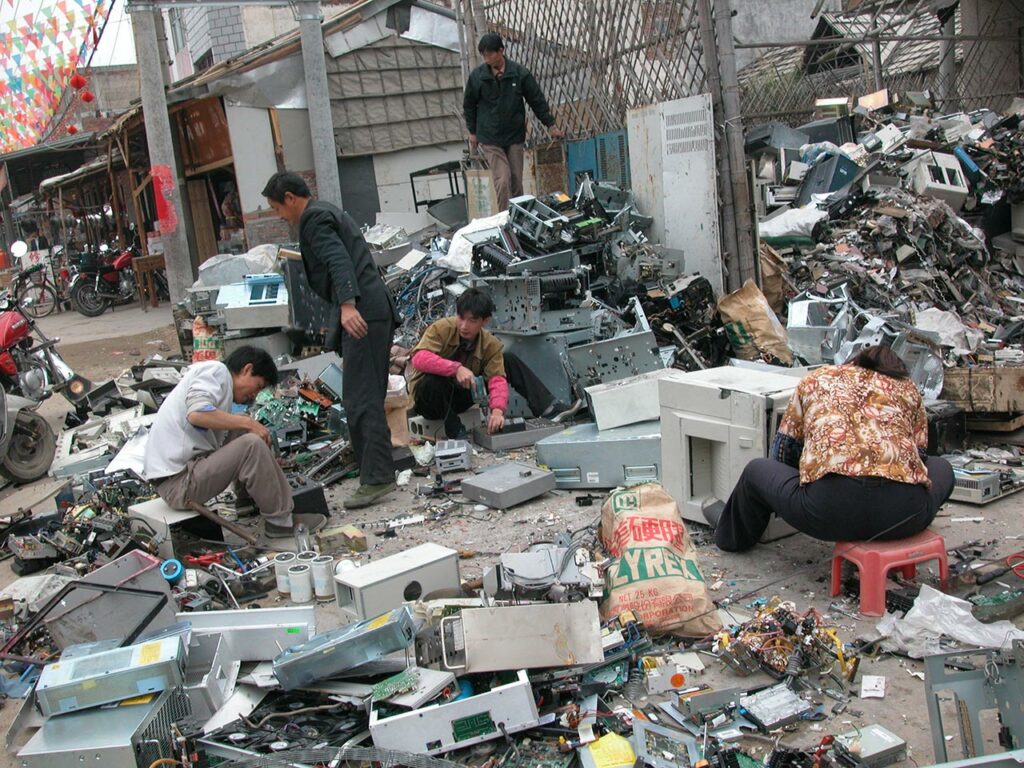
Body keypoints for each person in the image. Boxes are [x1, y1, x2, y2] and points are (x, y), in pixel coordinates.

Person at [713, 345, 955, 552]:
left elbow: (784, 449)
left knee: (756, 470)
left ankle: (731, 539)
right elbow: (920, 458)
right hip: (904, 518)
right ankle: (897, 528)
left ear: (854, 361)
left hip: (828, 513)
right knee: (942, 467)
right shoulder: (908, 388)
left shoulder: (816, 379)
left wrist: (795, 488)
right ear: (895, 371)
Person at [262, 172, 397, 509]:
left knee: (359, 398)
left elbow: (338, 261)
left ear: (291, 198)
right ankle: (376, 467)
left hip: (362, 312)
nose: (280, 216)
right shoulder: (326, 212)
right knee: (367, 394)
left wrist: (348, 306)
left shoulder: (313, 219)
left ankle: (378, 478)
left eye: (277, 208)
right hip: (372, 309)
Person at [142, 346, 327, 538]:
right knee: (250, 443)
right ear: (247, 369)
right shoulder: (216, 371)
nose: (255, 395)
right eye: (258, 386)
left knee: (242, 428)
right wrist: (249, 424)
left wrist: (247, 426)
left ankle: (246, 502)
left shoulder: (219, 385)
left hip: (179, 480)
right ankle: (281, 522)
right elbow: (196, 414)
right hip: (179, 485)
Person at [408, 287, 580, 439]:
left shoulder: (490, 344)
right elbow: (419, 358)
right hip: (429, 401)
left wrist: (498, 410)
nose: (464, 326)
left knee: (508, 360)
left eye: (472, 320)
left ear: (485, 321)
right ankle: (456, 432)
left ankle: (549, 409)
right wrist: (455, 369)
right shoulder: (442, 328)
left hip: (460, 397)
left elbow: (497, 378)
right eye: (461, 318)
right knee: (432, 382)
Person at [463, 33, 565, 211]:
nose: (486, 60)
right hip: (490, 136)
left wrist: (551, 125)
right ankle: (506, 220)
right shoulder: (477, 77)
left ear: (501, 51)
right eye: (483, 56)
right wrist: (472, 131)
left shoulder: (519, 74)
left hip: (514, 135)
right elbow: (469, 105)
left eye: (489, 55)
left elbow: (536, 100)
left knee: (517, 180)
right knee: (502, 180)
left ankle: (520, 219)